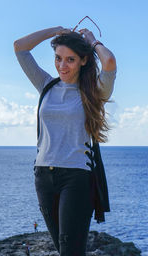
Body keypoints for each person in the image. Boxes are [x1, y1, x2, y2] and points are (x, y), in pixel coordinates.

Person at [14, 24, 116, 256]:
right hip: (43, 176)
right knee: (65, 250)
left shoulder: (94, 91)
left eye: (70, 59)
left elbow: (109, 63)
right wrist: (54, 32)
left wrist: (92, 41)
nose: (62, 65)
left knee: (70, 251)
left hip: (76, 178)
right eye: (58, 58)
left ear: (83, 60)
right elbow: (20, 48)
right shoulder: (46, 85)